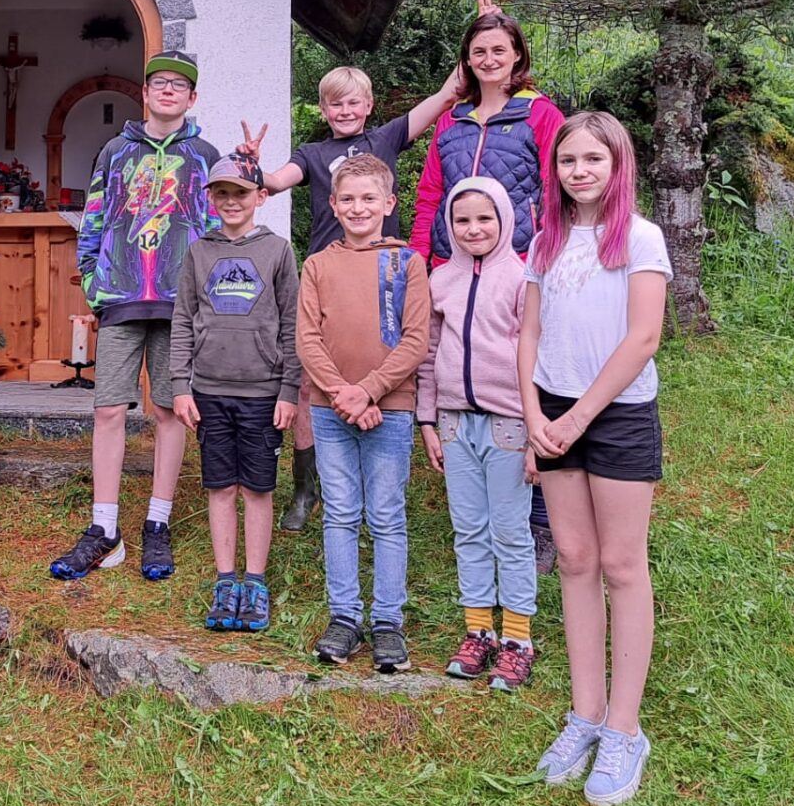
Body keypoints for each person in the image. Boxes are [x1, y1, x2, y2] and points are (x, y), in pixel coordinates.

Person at [233, 0, 491, 535]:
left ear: (368, 106)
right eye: (335, 103)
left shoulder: (389, 138)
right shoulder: (313, 152)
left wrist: (484, 27)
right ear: (322, 109)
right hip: (328, 271)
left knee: (391, 362)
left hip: (386, 272)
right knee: (309, 377)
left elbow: (449, 93)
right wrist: (253, 168)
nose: (346, 110)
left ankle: (381, 476)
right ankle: (306, 487)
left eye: (355, 102)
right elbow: (276, 183)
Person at [520, 112, 670, 806]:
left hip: (617, 418)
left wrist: (580, 416)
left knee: (620, 565)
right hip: (552, 416)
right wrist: (533, 414)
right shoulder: (546, 242)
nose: (578, 172)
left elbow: (642, 339)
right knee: (574, 561)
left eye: (592, 160)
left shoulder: (640, 239)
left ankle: (624, 729)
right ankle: (585, 713)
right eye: (567, 161)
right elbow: (529, 333)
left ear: (618, 166)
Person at [49, 49, 220, 582]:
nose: (167, 91)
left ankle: (157, 522)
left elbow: (216, 226)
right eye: (158, 83)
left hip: (180, 303)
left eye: (179, 85)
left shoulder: (204, 155)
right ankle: (105, 529)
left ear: (192, 98)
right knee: (108, 411)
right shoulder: (115, 151)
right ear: (144, 94)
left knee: (169, 410)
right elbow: (94, 215)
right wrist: (94, 281)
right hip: (121, 296)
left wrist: (205, 296)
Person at [409, 7, 566, 576]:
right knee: (464, 373)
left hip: (520, 269)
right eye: (479, 51)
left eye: (500, 50)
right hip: (455, 268)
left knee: (530, 381)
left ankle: (541, 519)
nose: (489, 59)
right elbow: (431, 195)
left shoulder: (540, 114)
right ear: (467, 61)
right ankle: (475, 494)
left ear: (518, 56)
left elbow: (556, 187)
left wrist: (547, 255)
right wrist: (421, 260)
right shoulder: (452, 122)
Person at [296, 154, 430, 673]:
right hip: (330, 413)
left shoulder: (406, 263)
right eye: (347, 199)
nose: (358, 207)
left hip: (390, 411)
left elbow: (415, 339)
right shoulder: (318, 265)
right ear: (332, 204)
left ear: (389, 204)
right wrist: (342, 394)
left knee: (387, 515)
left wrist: (369, 392)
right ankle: (345, 617)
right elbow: (307, 338)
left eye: (369, 198)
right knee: (341, 513)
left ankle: (388, 622)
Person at [416, 178, 539, 691]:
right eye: (462, 220)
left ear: (505, 220)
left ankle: (517, 640)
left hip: (510, 424)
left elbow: (539, 357)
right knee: (468, 530)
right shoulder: (440, 279)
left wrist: (538, 431)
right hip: (453, 422)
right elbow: (427, 353)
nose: (473, 229)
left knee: (510, 532)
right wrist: (427, 419)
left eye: (484, 218)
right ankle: (478, 631)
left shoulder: (523, 278)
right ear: (450, 225)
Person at [169, 157, 299, 633]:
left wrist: (289, 389)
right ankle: (226, 580)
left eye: (241, 193)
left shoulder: (278, 252)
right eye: (221, 194)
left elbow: (293, 323)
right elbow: (182, 319)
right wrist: (179, 385)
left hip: (263, 392)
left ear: (261, 197)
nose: (231, 202)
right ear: (211, 199)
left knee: (258, 488)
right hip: (209, 391)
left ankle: (256, 581)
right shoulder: (199, 252)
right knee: (221, 486)